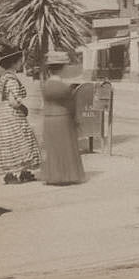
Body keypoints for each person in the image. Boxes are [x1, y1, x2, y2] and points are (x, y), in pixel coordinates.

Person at [0, 50, 40, 185]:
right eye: (20, 61)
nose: (21, 63)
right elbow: (13, 101)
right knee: (21, 140)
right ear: (14, 62)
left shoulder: (3, 77)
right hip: (12, 113)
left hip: (3, 112)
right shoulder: (12, 80)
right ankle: (17, 173)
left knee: (8, 142)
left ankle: (18, 172)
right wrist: (22, 106)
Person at [40, 50, 85, 186]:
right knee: (66, 147)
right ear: (63, 67)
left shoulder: (45, 85)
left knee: (53, 149)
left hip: (48, 119)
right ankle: (66, 176)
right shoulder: (63, 86)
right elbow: (70, 105)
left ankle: (54, 176)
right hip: (62, 118)